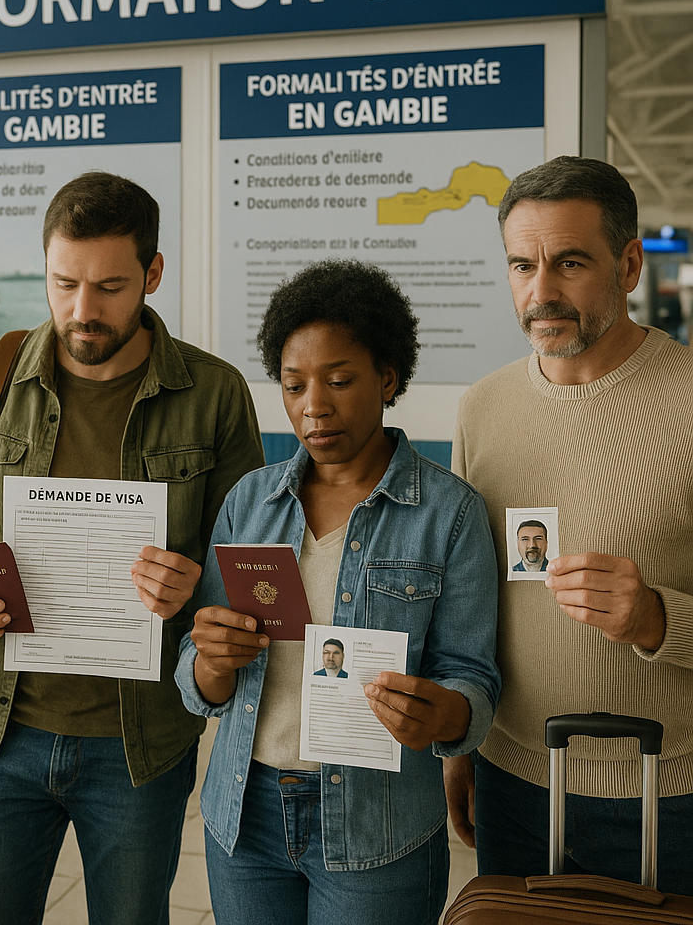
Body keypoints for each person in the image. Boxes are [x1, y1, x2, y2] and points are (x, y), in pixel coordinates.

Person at [0, 171, 264, 925]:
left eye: (109, 287)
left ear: (153, 274)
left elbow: (250, 567)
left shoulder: (214, 393)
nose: (82, 310)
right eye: (63, 283)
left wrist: (197, 589)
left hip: (139, 740)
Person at [175, 259, 500, 925]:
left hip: (378, 822)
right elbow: (199, 670)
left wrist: (443, 715)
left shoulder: (450, 513)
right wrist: (209, 662)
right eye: (293, 385)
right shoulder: (250, 504)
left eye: (340, 380)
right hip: (245, 814)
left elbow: (472, 678)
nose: (313, 406)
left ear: (388, 378)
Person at [445, 155, 693, 896]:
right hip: (515, 780)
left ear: (628, 265)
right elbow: (468, 598)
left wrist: (658, 619)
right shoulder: (483, 407)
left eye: (570, 263)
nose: (540, 292)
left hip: (673, 792)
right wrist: (461, 746)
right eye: (522, 265)